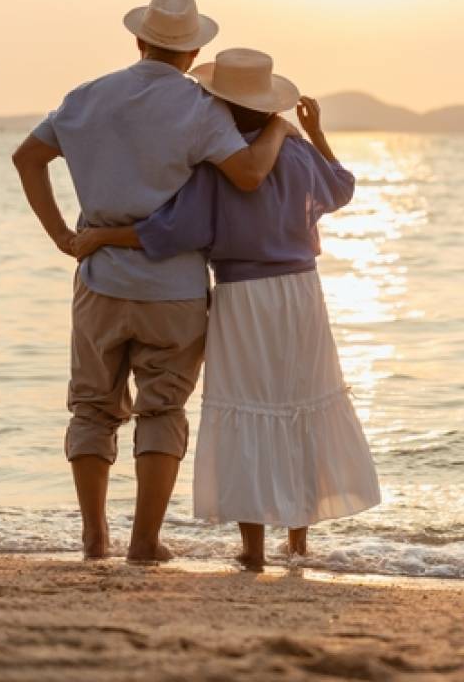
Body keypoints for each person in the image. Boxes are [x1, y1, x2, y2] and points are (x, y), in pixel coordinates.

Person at [11, 0, 295, 563]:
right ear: (193, 54)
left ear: (139, 39)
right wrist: (275, 129)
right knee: (162, 409)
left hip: (100, 279)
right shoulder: (200, 107)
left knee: (92, 407)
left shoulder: (87, 96)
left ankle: (94, 539)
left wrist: (64, 236)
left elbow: (28, 157)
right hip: (175, 288)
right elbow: (245, 176)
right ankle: (144, 542)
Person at [70, 48, 381, 571]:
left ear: (224, 107)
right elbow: (342, 187)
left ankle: (253, 549)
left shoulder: (216, 170)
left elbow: (168, 232)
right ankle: (298, 542)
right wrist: (314, 131)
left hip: (242, 298)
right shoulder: (302, 156)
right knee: (299, 401)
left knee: (247, 408)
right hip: (303, 295)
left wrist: (102, 234)